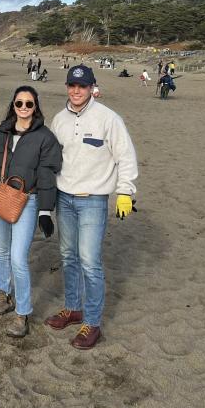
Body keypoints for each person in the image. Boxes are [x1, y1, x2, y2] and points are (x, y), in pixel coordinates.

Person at [45, 65, 138, 350]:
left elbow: (126, 157)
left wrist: (126, 192)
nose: (76, 91)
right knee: (68, 256)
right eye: (72, 85)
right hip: (64, 198)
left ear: (91, 88)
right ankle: (73, 309)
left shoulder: (109, 119)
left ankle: (93, 323)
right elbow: (50, 161)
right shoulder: (58, 120)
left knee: (90, 262)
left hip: (93, 201)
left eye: (82, 86)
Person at [0, 86, 62, 338]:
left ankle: (22, 312)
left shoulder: (45, 137)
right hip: (1, 197)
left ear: (36, 107)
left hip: (29, 200)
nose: (24, 108)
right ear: (12, 105)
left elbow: (47, 175)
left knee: (18, 258)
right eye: (19, 104)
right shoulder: (0, 134)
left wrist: (45, 211)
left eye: (29, 104)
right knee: (2, 250)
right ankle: (3, 294)